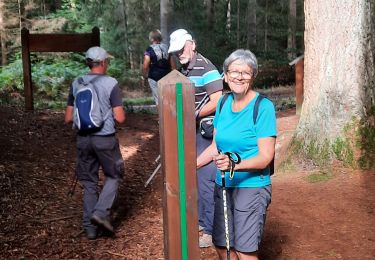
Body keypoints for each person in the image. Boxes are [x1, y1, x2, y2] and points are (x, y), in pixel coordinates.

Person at [197, 49, 276, 259]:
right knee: (222, 245)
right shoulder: (222, 103)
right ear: (225, 74)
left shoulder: (263, 107)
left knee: (244, 250)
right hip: (222, 184)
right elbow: (215, 146)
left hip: (251, 187)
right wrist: (191, 166)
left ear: (253, 76)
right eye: (233, 71)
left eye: (245, 72)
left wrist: (234, 165)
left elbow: (265, 157)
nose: (239, 77)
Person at [168, 29, 223, 247]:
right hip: (194, 129)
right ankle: (200, 222)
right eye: (176, 50)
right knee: (192, 174)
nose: (179, 53)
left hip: (207, 130)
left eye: (182, 48)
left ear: (192, 44)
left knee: (203, 175)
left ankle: (209, 230)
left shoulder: (206, 67)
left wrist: (193, 114)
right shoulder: (186, 68)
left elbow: (218, 100)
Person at [64, 46, 126, 240]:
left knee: (90, 182)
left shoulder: (77, 82)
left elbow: (67, 117)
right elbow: (120, 117)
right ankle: (100, 213)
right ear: (103, 62)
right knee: (114, 175)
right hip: (105, 139)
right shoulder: (111, 83)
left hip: (83, 139)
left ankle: (89, 228)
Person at [142, 29, 175, 106]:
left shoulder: (149, 49)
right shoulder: (167, 48)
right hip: (167, 77)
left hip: (154, 77)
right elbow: (173, 65)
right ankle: (169, 117)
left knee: (158, 100)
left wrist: (144, 76)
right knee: (168, 99)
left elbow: (145, 65)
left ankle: (161, 117)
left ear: (151, 39)